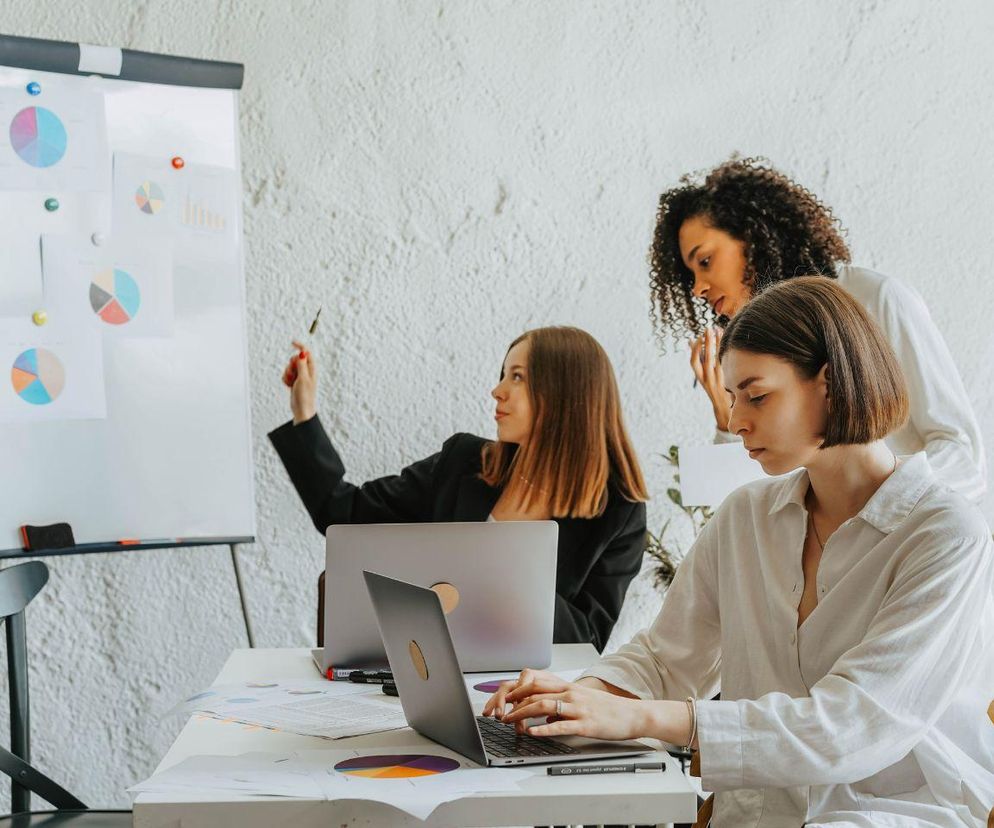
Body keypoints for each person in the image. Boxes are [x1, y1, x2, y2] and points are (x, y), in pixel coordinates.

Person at [484, 279, 994, 828]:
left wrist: (637, 717)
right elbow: (667, 657)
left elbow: (853, 727)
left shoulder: (945, 535)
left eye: (757, 395)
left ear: (829, 383)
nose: (735, 421)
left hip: (895, 814)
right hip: (758, 813)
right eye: (731, 398)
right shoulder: (745, 516)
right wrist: (575, 697)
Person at [269, 325, 648, 651]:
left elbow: (588, 642)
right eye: (503, 374)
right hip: (427, 671)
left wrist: (506, 568)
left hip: (524, 696)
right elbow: (341, 513)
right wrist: (305, 413)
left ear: (566, 394)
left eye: (517, 377)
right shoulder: (463, 462)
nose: (497, 390)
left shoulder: (618, 511)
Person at [649, 156, 986, 503]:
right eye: (689, 275)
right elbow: (745, 502)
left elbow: (962, 455)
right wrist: (726, 413)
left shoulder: (876, 299)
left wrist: (875, 507)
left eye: (705, 261)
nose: (697, 288)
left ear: (753, 237)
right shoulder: (752, 351)